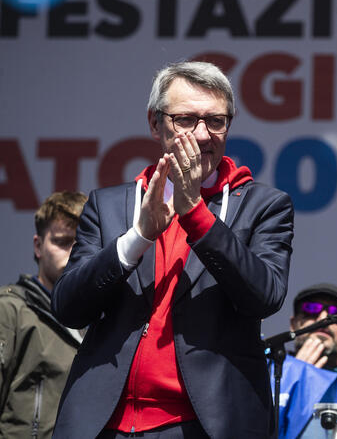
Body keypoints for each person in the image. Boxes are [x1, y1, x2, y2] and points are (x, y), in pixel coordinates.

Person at [50, 61, 294, 438]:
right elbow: (68, 307)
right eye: (185, 119)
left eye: (216, 121)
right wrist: (138, 237)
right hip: (104, 422)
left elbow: (265, 296)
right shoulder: (112, 204)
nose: (201, 135)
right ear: (154, 123)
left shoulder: (263, 205)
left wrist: (196, 214)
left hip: (204, 423)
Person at [0, 191, 86, 439]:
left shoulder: (102, 320)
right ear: (38, 246)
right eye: (62, 241)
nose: (72, 253)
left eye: (80, 243)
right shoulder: (10, 310)